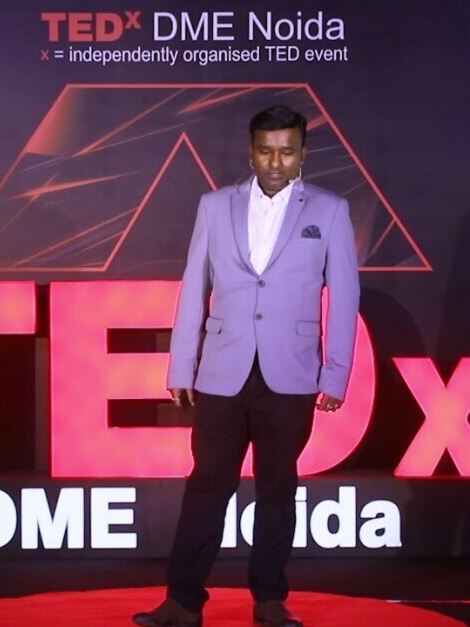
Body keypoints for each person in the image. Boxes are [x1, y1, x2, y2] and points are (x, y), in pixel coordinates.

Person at [133, 105, 360, 627]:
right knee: (207, 485)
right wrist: (181, 366)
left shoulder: (330, 210)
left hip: (292, 374)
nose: (276, 162)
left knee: (278, 488)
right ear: (251, 152)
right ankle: (182, 601)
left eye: (287, 151)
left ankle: (270, 599)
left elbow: (345, 297)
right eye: (266, 151)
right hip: (222, 371)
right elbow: (195, 287)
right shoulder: (215, 206)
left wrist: (335, 372)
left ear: (302, 153)